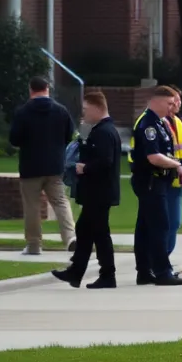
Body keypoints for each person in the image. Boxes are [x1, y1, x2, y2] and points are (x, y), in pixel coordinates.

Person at [52, 91, 121, 289]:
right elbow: (83, 147)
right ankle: (76, 272)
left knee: (100, 233)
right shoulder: (97, 130)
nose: (84, 113)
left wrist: (85, 168)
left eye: (86, 109)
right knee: (85, 230)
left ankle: (107, 274)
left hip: (99, 192)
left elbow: (105, 161)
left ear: (98, 108)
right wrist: (84, 129)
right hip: (95, 192)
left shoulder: (104, 132)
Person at [9, 76, 78, 256]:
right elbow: (69, 135)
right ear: (47, 88)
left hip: (30, 166)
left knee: (32, 206)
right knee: (60, 202)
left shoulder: (23, 112)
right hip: (55, 166)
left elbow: (14, 139)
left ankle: (34, 244)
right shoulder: (61, 111)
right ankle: (70, 237)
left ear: (30, 90)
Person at [131, 86, 182, 286]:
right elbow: (153, 157)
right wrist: (177, 165)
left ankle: (145, 271)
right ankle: (163, 272)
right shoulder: (148, 124)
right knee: (160, 226)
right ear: (157, 101)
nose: (172, 107)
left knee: (146, 227)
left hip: (157, 182)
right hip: (150, 181)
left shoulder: (160, 123)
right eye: (169, 103)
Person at [166, 87, 182, 257]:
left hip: (178, 179)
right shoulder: (158, 123)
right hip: (164, 179)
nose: (177, 103)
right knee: (165, 222)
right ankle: (158, 259)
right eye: (174, 99)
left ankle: (164, 258)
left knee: (175, 222)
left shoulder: (178, 121)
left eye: (179, 99)